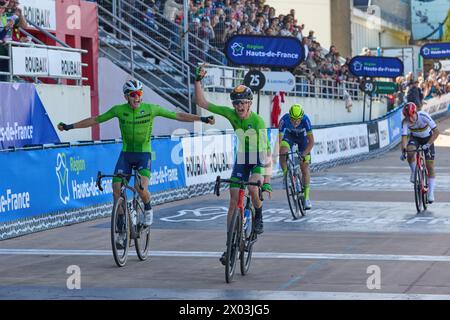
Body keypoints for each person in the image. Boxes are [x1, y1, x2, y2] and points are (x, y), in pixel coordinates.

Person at [58, 79, 215, 245]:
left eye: (139, 94)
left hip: (143, 154)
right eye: (133, 95)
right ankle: (120, 231)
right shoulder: (119, 110)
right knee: (116, 189)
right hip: (126, 155)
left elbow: (177, 115)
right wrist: (69, 126)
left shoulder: (151, 109)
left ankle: (148, 209)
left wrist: (202, 119)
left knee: (141, 188)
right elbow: (95, 120)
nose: (137, 98)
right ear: (126, 97)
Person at [194, 65, 272, 265]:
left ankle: (259, 215)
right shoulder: (231, 114)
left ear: (250, 104)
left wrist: (266, 180)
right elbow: (201, 102)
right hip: (242, 157)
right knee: (233, 198)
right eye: (236, 104)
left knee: (254, 189)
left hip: (258, 156)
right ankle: (230, 245)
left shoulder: (258, 122)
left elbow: (266, 153)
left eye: (243, 103)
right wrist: (197, 81)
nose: (239, 107)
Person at [400, 102, 440, 203]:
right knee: (409, 151)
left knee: (430, 166)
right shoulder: (405, 122)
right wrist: (403, 150)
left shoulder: (423, 116)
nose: (410, 119)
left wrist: (428, 144)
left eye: (411, 115)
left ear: (415, 112)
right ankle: (414, 171)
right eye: (407, 117)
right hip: (415, 139)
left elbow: (436, 132)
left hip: (428, 138)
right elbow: (404, 137)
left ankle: (431, 193)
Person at [278, 104, 314, 210]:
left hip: (303, 139)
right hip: (290, 136)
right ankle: (286, 176)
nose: (295, 122)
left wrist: (304, 154)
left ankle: (306, 198)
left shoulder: (306, 120)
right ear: (290, 117)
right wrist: (279, 152)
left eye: (298, 120)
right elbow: (279, 140)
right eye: (293, 119)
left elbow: (311, 142)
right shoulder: (284, 120)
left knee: (305, 167)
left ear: (301, 118)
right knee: (283, 152)